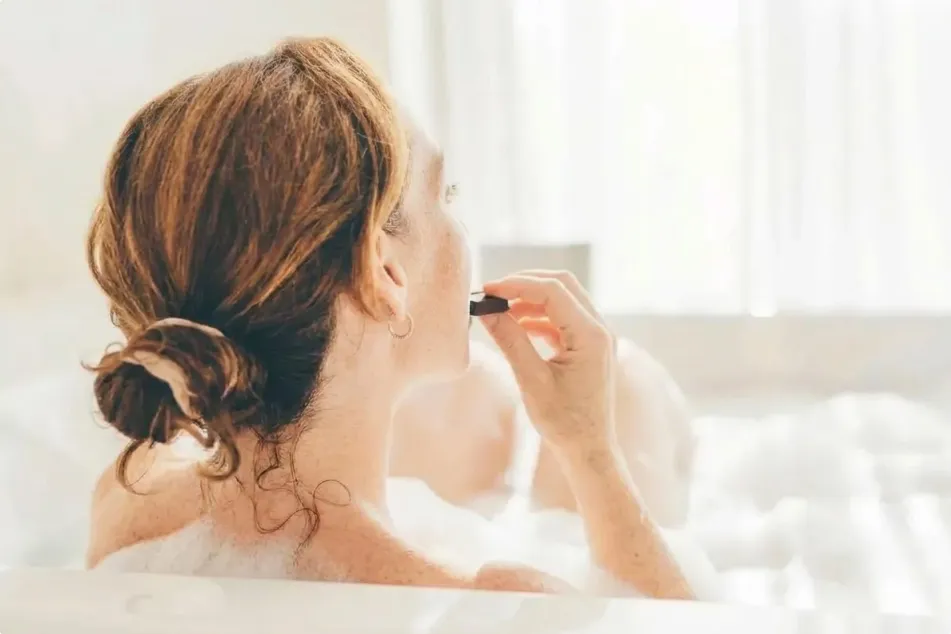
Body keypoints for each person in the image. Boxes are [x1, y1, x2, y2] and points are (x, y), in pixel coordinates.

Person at [85, 36, 694, 598]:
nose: (460, 222)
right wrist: (591, 450)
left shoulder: (127, 501)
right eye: (445, 195)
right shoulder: (500, 604)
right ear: (383, 270)